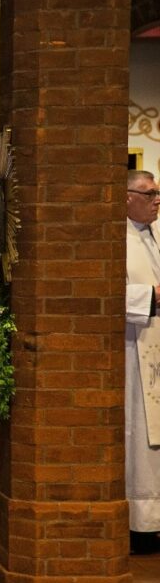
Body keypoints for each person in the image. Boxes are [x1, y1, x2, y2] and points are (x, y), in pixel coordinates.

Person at [125, 170, 160, 554]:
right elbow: (102, 291)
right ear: (126, 197)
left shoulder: (156, 234)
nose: (156, 200)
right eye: (149, 193)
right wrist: (150, 295)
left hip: (157, 343)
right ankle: (139, 523)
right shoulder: (116, 236)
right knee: (139, 436)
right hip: (135, 347)